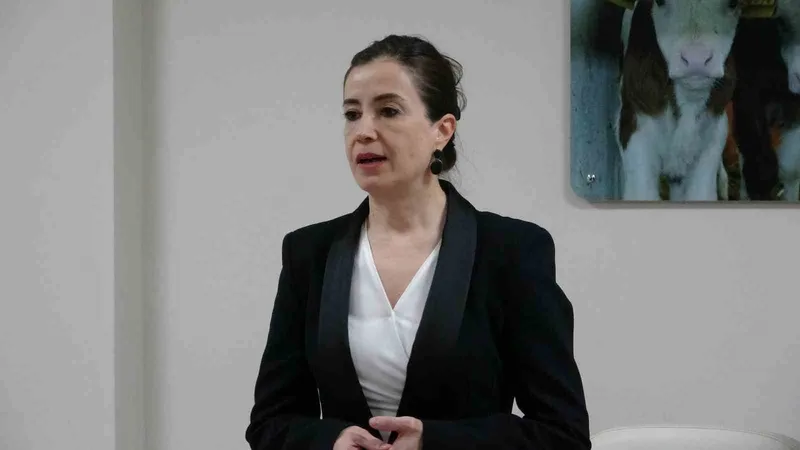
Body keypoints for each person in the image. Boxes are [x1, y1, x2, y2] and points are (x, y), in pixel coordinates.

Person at [245, 34, 591, 450]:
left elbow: (563, 434)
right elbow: (271, 423)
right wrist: (329, 439)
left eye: (388, 111)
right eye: (352, 114)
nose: (363, 131)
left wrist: (435, 442)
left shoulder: (513, 251)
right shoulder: (308, 252)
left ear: (442, 130)